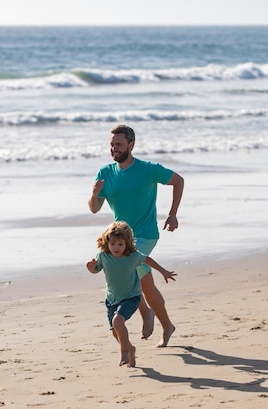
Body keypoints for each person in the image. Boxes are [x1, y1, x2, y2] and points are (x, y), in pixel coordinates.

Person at [88, 124, 184, 347]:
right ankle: (164, 323)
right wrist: (93, 194)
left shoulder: (148, 169)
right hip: (120, 239)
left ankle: (148, 314)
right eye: (112, 145)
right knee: (145, 283)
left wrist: (172, 215)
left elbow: (178, 181)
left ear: (131, 145)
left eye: (119, 144)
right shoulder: (105, 173)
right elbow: (94, 208)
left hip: (145, 234)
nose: (114, 149)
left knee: (130, 266)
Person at [86, 221, 177, 367]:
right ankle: (130, 349)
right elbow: (96, 269)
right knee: (116, 331)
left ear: (127, 244)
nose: (116, 247)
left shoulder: (132, 256)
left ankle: (124, 353)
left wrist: (163, 272)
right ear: (107, 241)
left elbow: (147, 259)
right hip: (112, 298)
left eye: (120, 244)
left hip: (131, 297)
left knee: (118, 321)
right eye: (113, 243)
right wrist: (91, 268)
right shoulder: (103, 256)